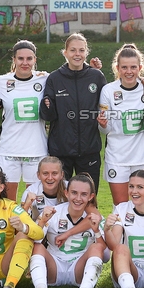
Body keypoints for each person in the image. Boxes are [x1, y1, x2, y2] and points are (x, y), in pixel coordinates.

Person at [26, 173, 105, 288]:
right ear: (66, 193)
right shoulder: (54, 212)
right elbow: (36, 239)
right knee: (38, 246)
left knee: (97, 247)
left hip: (78, 268)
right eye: (74, 193)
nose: (78, 198)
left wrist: (97, 230)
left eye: (84, 194)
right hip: (54, 267)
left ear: (91, 196)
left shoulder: (95, 217)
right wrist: (43, 220)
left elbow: (105, 252)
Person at [40, 33, 107, 190]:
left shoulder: (96, 76)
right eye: (73, 50)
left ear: (86, 53)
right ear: (65, 53)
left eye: (81, 50)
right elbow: (48, 116)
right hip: (61, 151)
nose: (77, 54)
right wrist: (46, 106)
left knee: (88, 197)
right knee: (61, 200)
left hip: (89, 150)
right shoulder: (55, 78)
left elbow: (106, 105)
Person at [98, 44, 144, 204]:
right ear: (117, 68)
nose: (129, 71)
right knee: (121, 208)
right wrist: (103, 124)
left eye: (133, 67)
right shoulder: (108, 90)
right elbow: (106, 130)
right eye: (124, 67)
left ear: (140, 67)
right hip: (117, 158)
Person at [0, 40, 49, 201]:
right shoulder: (2, 82)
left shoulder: (45, 79)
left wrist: (91, 70)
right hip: (8, 150)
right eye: (20, 58)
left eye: (29, 59)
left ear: (35, 60)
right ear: (14, 60)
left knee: (35, 202)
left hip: (36, 149)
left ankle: (32, 227)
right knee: (7, 203)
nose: (25, 62)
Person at [20, 156, 68, 221]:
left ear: (61, 175)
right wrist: (26, 206)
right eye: (45, 173)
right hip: (39, 228)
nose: (50, 178)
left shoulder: (71, 189)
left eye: (54, 173)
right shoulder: (31, 191)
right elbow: (22, 220)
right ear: (38, 175)